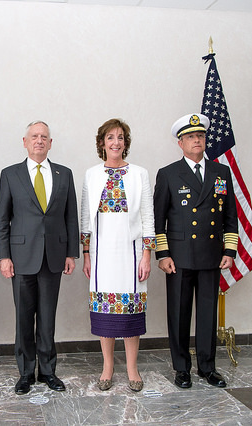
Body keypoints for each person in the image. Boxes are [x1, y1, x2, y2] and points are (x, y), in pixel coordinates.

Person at [153, 113, 238, 389]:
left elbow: (230, 216)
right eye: (191, 137)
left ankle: (207, 367)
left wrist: (230, 250)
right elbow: (158, 219)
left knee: (207, 314)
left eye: (200, 136)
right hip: (178, 257)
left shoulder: (221, 172)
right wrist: (162, 254)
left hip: (211, 254)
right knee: (178, 314)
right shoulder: (167, 174)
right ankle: (181, 368)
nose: (197, 140)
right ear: (180, 143)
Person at [0, 121, 79, 395]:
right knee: (23, 317)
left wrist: (70, 253)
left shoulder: (64, 174)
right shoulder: (10, 174)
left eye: (44, 137)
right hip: (20, 258)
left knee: (47, 317)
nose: (39, 141)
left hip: (54, 256)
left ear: (50, 143)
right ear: (25, 141)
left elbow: (71, 217)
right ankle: (25, 373)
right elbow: (2, 220)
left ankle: (47, 371)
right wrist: (4, 257)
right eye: (34, 136)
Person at [80, 119, 156, 393]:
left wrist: (147, 254)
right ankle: (108, 367)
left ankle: (133, 368)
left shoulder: (139, 174)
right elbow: (85, 219)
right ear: (102, 143)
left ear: (126, 142)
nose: (115, 142)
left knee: (131, 311)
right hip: (102, 255)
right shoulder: (92, 174)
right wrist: (86, 254)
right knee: (105, 312)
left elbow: (148, 215)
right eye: (110, 137)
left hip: (132, 252)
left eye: (120, 137)